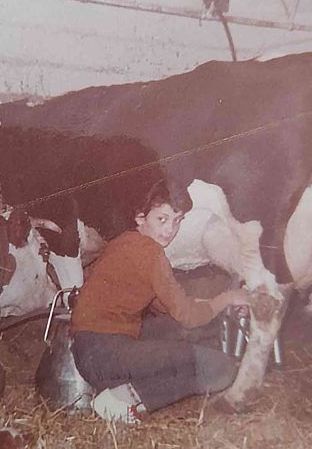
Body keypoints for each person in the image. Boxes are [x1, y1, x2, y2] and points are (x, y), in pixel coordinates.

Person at [71, 179, 250, 424]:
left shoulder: (126, 241)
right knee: (222, 368)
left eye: (177, 221)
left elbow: (171, 306)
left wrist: (219, 304)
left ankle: (123, 389)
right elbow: (187, 314)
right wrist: (228, 297)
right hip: (106, 355)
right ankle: (125, 400)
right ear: (140, 217)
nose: (170, 230)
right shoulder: (150, 253)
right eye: (162, 219)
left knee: (187, 331)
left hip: (93, 351)